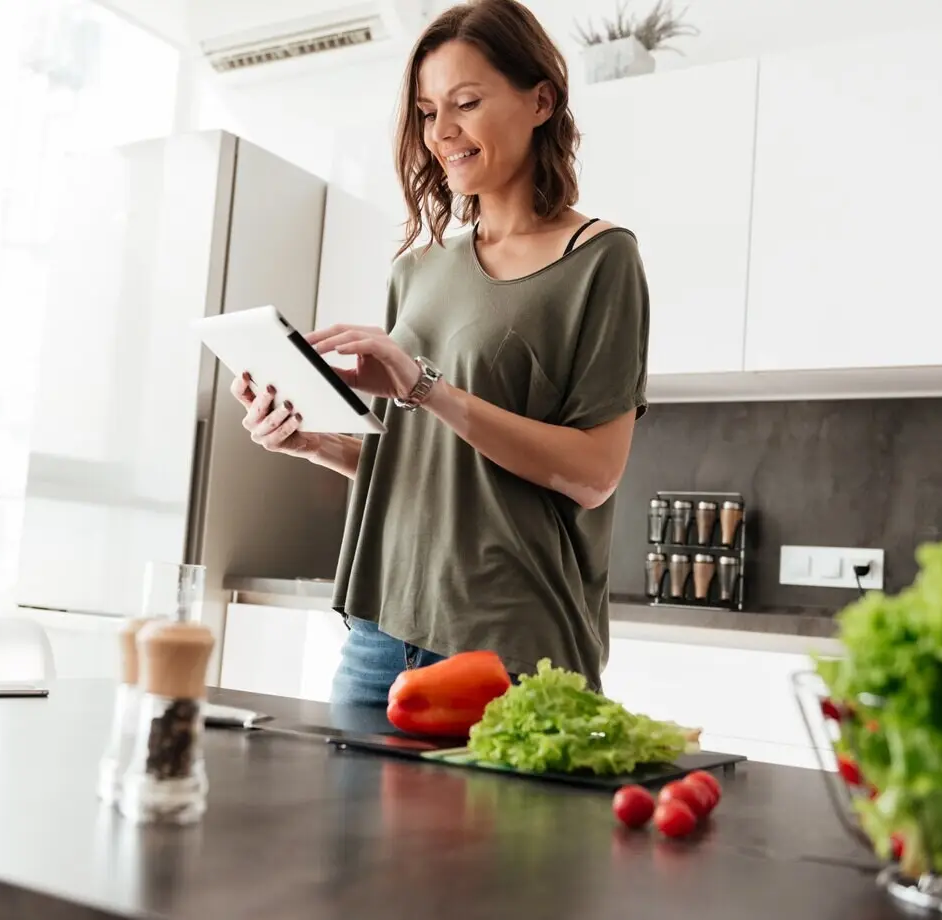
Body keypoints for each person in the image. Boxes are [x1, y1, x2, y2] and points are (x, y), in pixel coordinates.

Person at [230, 0, 649, 705]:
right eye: (428, 111)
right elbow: (429, 473)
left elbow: (594, 473)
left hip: (509, 647)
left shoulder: (600, 260)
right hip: (380, 630)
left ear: (540, 100)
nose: (442, 132)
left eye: (466, 102)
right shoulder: (416, 272)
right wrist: (315, 443)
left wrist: (426, 386)